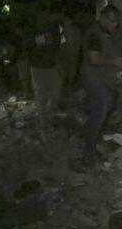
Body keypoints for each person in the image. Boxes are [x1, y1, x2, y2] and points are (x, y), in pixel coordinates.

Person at [80, 4, 122, 159]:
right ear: (104, 18)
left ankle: (90, 138)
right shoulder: (94, 34)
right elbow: (94, 58)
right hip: (95, 81)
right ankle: (88, 150)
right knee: (99, 114)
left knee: (105, 108)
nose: (115, 25)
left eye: (117, 22)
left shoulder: (104, 34)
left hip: (102, 81)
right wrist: (114, 62)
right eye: (113, 21)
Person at [27, 12, 65, 140]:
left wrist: (60, 66)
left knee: (56, 94)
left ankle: (47, 117)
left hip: (52, 67)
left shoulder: (55, 29)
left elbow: (58, 47)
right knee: (40, 96)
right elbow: (27, 44)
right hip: (37, 67)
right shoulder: (32, 30)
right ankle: (43, 123)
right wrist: (41, 40)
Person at [59, 14, 82, 89]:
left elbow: (78, 43)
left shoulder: (76, 30)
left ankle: (70, 88)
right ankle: (63, 89)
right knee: (63, 74)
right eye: (65, 20)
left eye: (68, 20)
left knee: (72, 74)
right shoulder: (61, 30)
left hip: (73, 55)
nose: (67, 22)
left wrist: (76, 53)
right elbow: (60, 43)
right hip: (63, 55)